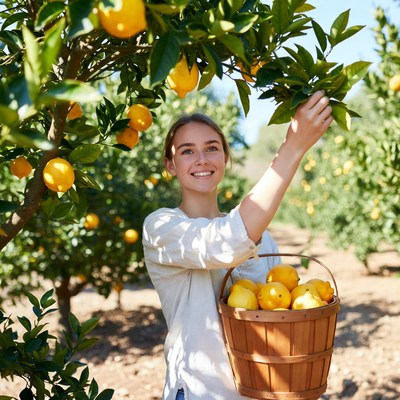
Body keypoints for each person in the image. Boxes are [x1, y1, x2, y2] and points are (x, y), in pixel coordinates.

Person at [142, 91, 333, 400]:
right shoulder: (162, 227)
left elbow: (280, 310)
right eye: (187, 151)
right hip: (200, 392)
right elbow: (227, 242)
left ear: (225, 159)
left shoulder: (261, 235)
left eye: (212, 148)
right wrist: (293, 146)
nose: (202, 159)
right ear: (170, 165)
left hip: (262, 390)